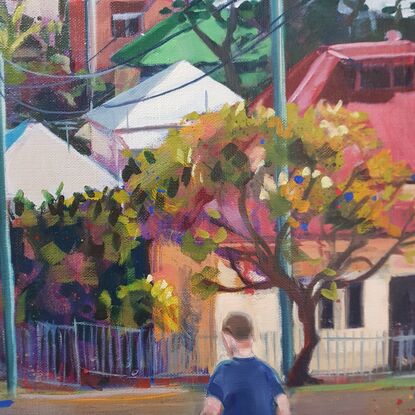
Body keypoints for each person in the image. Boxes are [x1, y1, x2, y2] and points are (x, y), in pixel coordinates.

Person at [200, 312, 291, 415]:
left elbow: (211, 410)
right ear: (251, 337)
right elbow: (284, 407)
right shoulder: (266, 370)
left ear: (227, 337)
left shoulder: (223, 371)